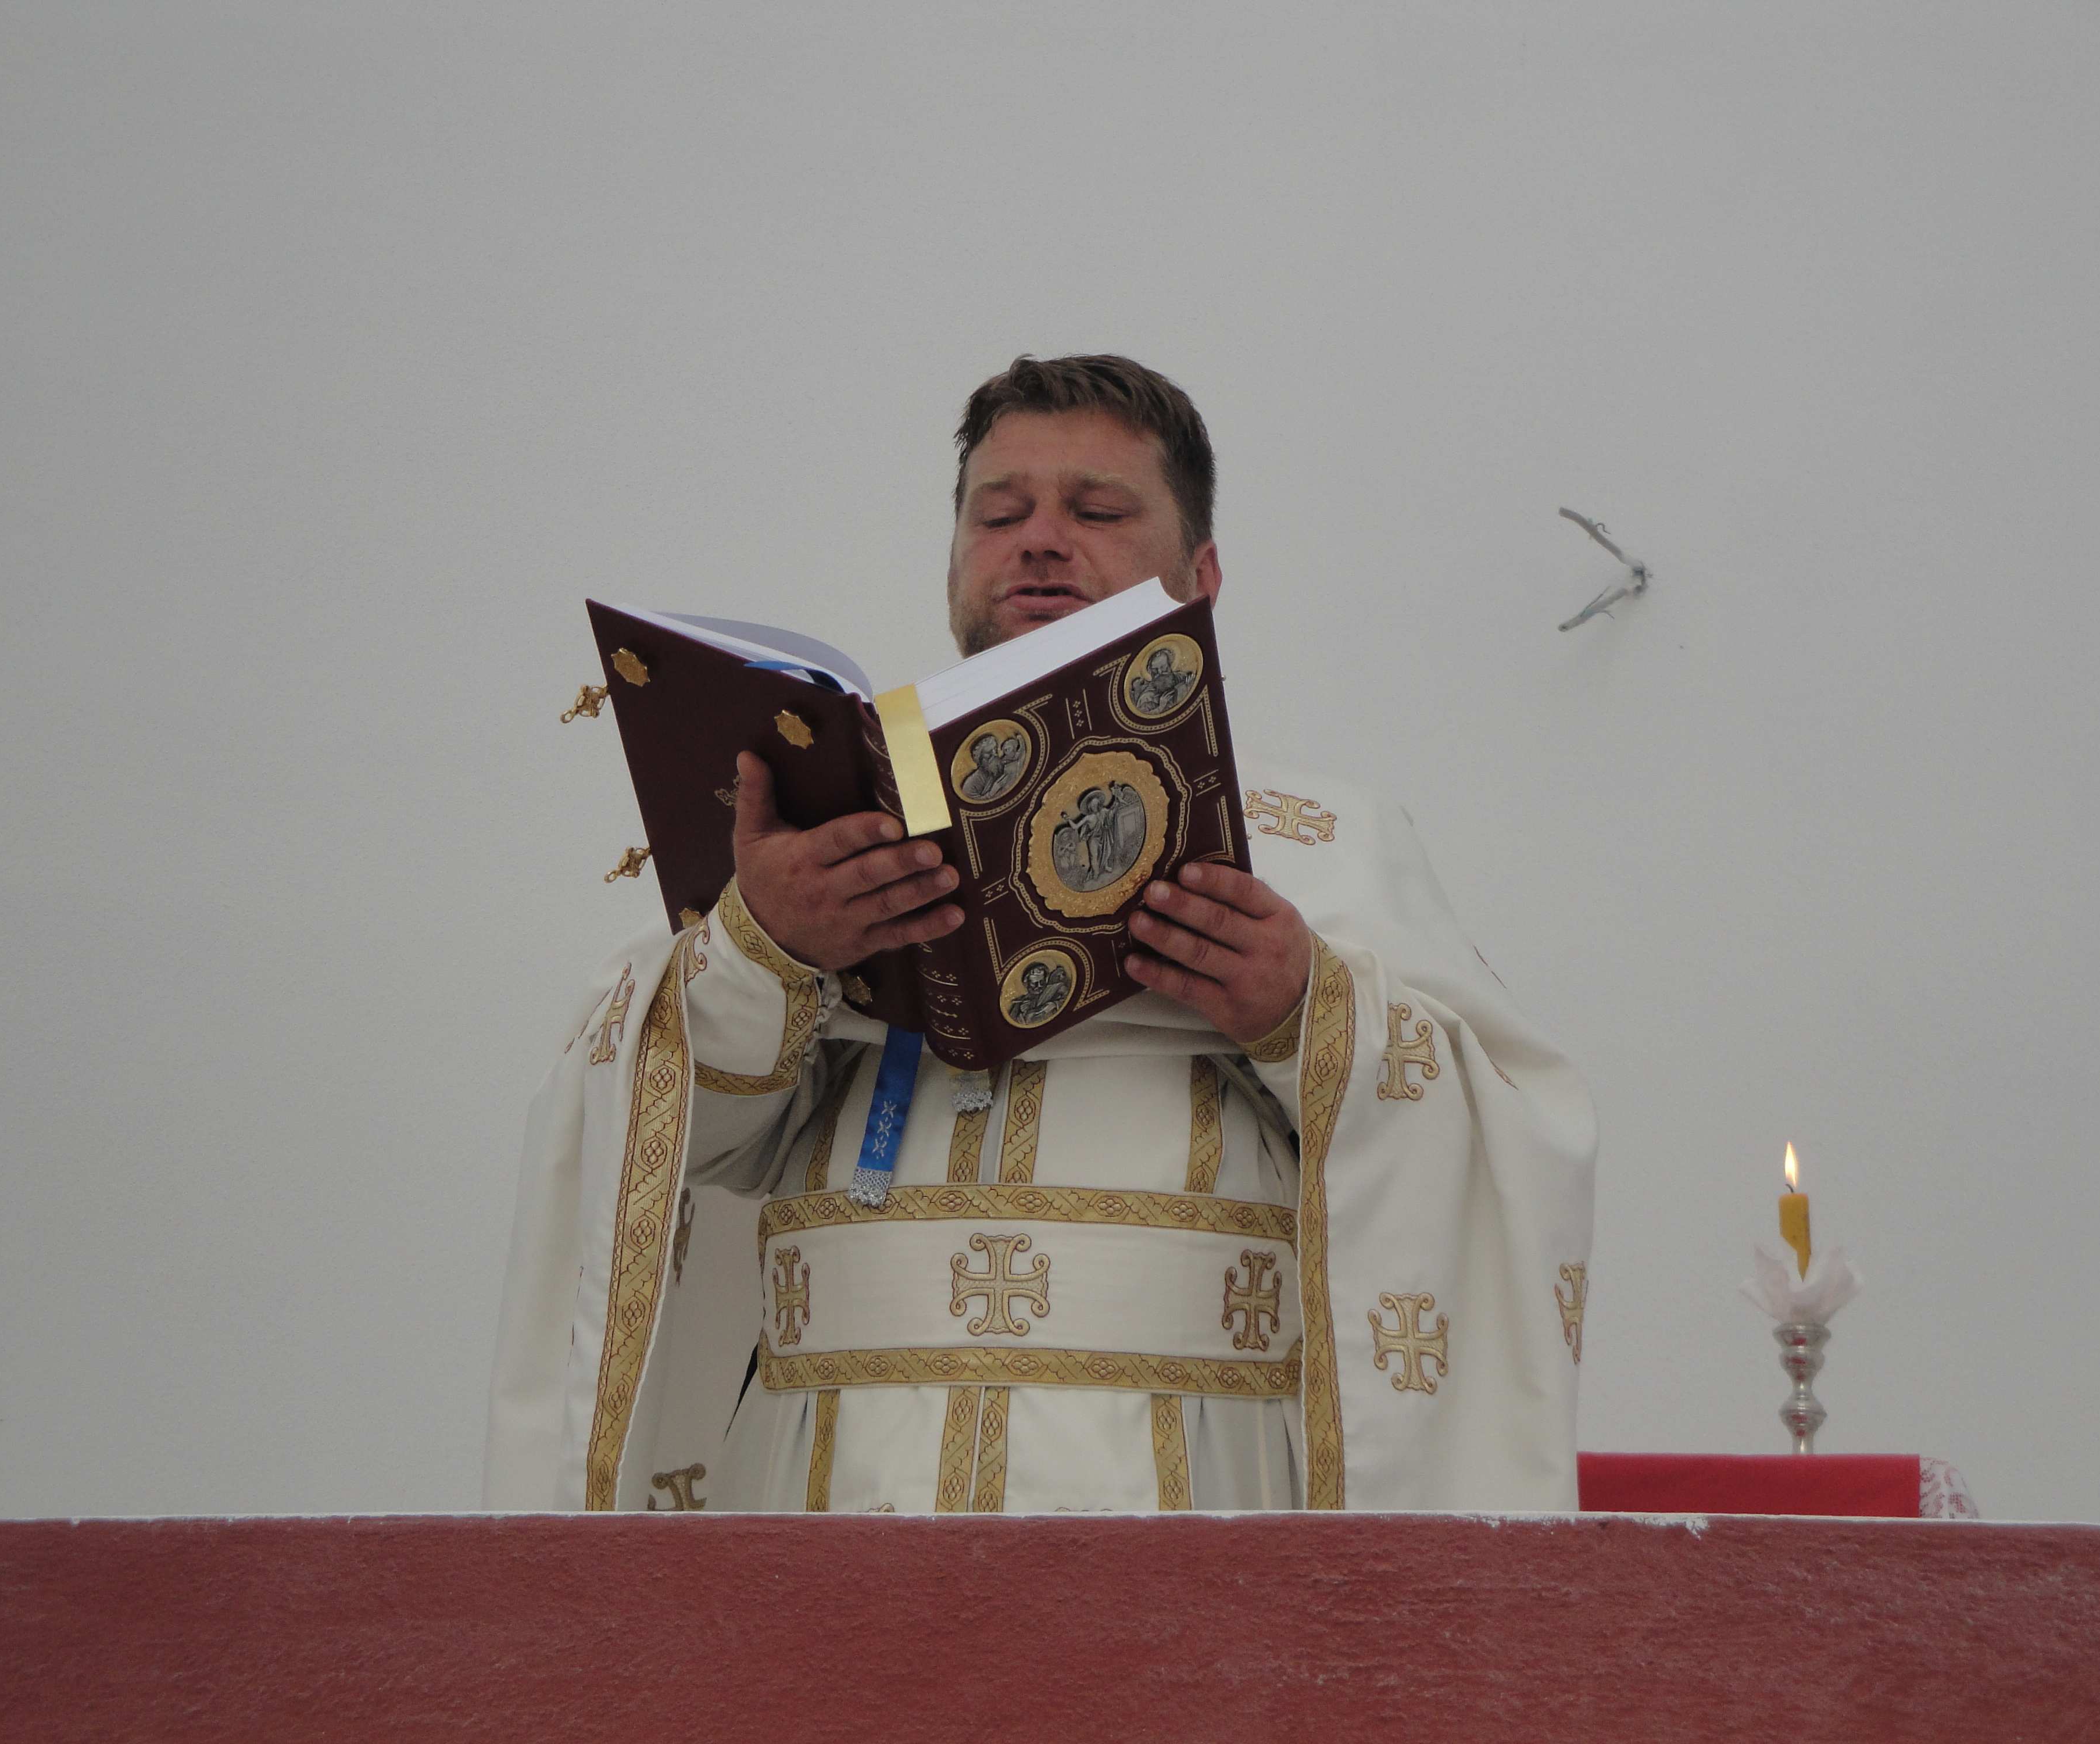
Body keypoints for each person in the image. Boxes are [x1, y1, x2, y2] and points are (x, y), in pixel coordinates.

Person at [485, 355, 1596, 1514]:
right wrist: (768, 949)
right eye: (999, 513)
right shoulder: (815, 840)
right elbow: (671, 1146)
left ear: (1202, 574)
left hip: (1187, 1500)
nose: (1040, 541)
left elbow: (1501, 1129)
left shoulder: (1322, 843)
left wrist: (1304, 1014)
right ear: (954, 560)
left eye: (1098, 510)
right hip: (831, 1496)